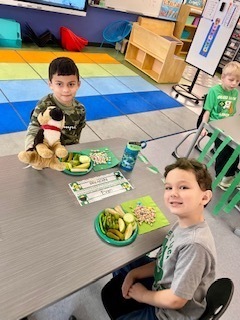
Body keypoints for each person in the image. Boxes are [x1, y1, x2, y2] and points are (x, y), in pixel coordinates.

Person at [101, 158, 217, 320]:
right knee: (123, 258)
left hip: (169, 313)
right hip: (162, 284)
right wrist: (133, 274)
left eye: (183, 187)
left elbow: (177, 300)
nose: (173, 193)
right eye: (169, 187)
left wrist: (143, 295)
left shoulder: (195, 245)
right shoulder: (183, 223)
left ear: (204, 198)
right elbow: (163, 263)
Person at [25, 57, 86, 150]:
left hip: (68, 153)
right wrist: (30, 149)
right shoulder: (44, 105)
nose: (66, 90)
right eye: (59, 84)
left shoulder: (80, 109)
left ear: (78, 84)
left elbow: (77, 135)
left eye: (71, 84)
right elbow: (33, 129)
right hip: (47, 152)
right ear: (50, 85)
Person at [200, 61, 240, 190]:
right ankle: (223, 177)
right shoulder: (214, 91)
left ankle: (230, 175)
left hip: (226, 126)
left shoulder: (235, 93)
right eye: (231, 80)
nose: (234, 83)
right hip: (214, 126)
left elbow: (232, 113)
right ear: (223, 77)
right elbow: (207, 111)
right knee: (225, 149)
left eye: (238, 81)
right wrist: (204, 127)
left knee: (235, 149)